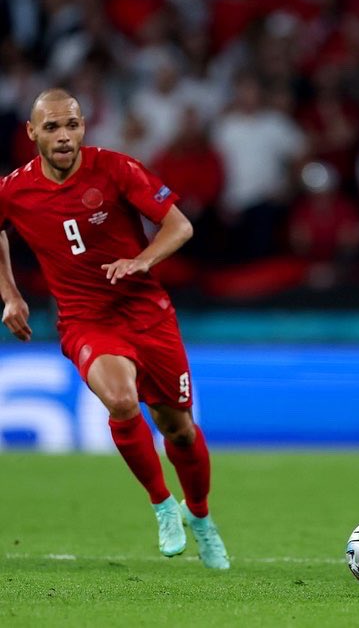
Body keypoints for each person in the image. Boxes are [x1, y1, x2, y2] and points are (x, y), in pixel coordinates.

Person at [0, 88, 229, 569]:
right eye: (52, 128)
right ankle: (163, 506)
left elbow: (179, 226)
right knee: (122, 401)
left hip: (147, 312)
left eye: (72, 125)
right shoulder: (14, 190)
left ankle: (201, 517)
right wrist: (11, 294)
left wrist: (141, 260)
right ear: (32, 133)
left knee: (179, 430)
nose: (64, 137)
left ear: (83, 126)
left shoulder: (116, 168)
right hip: (86, 320)